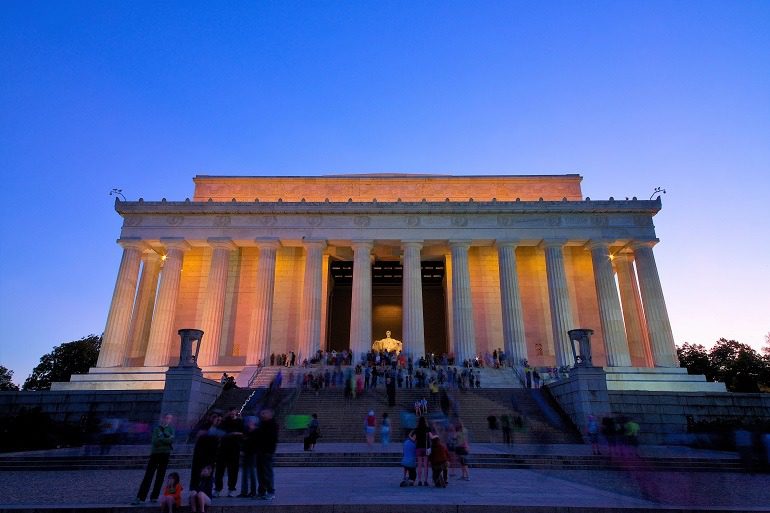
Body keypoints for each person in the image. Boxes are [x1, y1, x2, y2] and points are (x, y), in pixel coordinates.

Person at [132, 413, 175, 505]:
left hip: (165, 454)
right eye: (166, 418)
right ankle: (140, 497)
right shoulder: (156, 429)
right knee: (148, 476)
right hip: (155, 454)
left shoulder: (171, 429)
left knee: (160, 476)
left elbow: (171, 440)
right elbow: (155, 442)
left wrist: (162, 438)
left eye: (169, 418)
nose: (167, 420)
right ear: (163, 418)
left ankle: (154, 497)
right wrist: (166, 439)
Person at [214, 408, 243, 497]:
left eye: (233, 411)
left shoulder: (240, 422)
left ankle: (231, 489)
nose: (231, 413)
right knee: (219, 470)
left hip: (235, 449)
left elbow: (243, 433)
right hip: (223, 448)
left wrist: (235, 434)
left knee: (233, 470)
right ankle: (218, 489)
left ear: (236, 412)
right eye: (230, 411)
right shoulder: (223, 421)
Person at [256, 408, 278, 500]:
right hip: (260, 451)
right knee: (260, 472)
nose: (262, 415)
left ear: (270, 414)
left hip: (267, 451)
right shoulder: (262, 424)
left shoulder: (273, 424)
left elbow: (271, 437)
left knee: (267, 472)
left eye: (264, 413)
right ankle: (261, 491)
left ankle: (270, 491)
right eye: (262, 413)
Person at [238, 416, 258, 497]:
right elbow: (242, 441)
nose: (249, 423)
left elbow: (255, 444)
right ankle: (244, 492)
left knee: (252, 473)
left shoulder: (256, 432)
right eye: (248, 421)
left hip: (252, 454)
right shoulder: (245, 431)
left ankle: (253, 492)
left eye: (251, 421)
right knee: (245, 474)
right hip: (246, 454)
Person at [414, 416, 430, 486]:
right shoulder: (427, 429)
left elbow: (414, 439)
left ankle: (419, 480)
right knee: (425, 465)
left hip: (418, 447)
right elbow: (430, 437)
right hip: (425, 448)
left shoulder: (417, 429)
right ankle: (425, 481)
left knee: (419, 465)